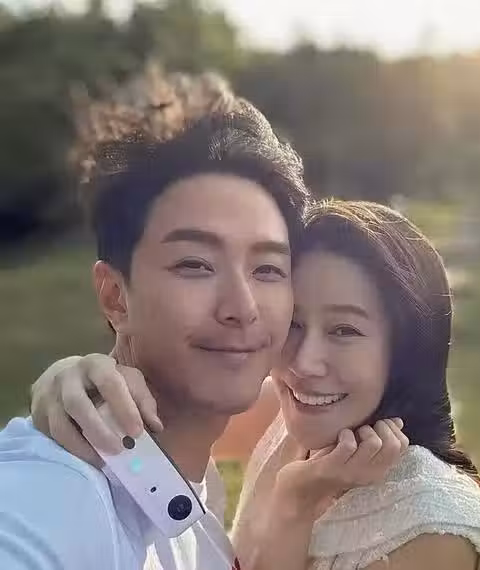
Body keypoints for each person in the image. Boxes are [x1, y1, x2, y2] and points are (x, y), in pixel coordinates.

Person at [0, 68, 406, 570]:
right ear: (115, 296)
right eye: (195, 264)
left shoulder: (179, 476)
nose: (242, 306)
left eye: (267, 269)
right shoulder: (55, 497)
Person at [29, 200, 480, 569]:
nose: (305, 363)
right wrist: (81, 379)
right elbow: (157, 427)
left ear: (406, 347)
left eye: (344, 331)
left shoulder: (430, 534)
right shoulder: (292, 417)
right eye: (293, 322)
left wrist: (295, 503)